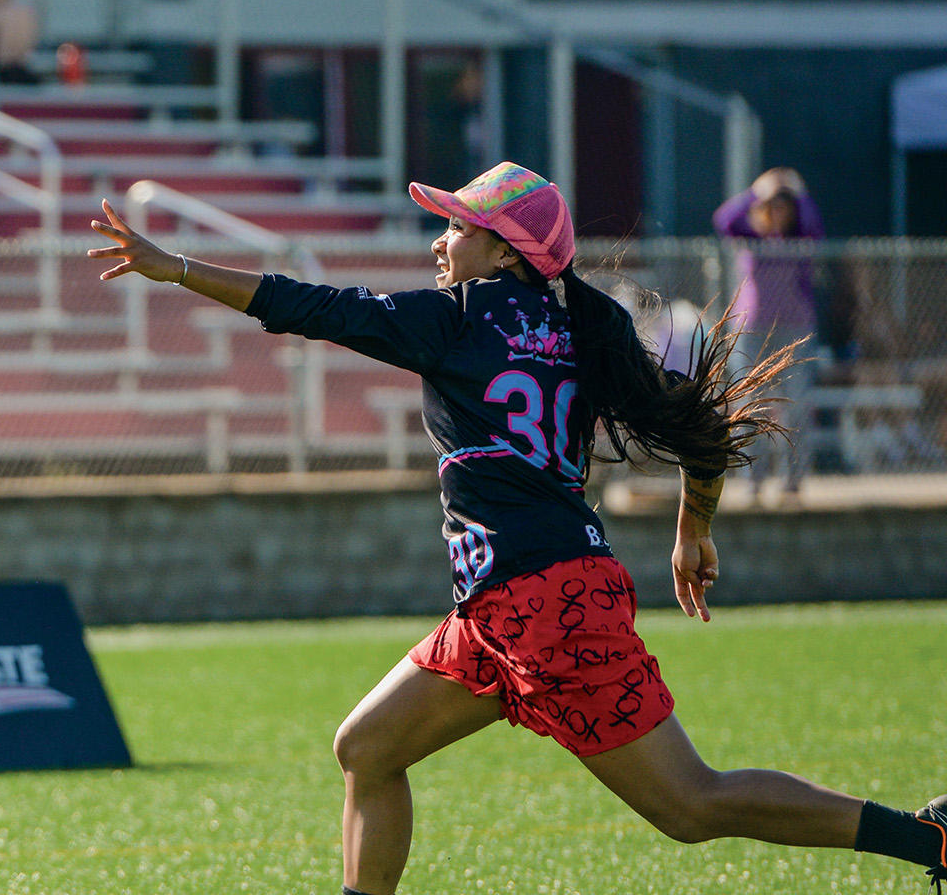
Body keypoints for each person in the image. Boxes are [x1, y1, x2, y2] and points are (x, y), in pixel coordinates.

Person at [87, 161, 947, 895]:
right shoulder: (587, 318)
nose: (440, 241)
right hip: (516, 604)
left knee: (692, 805)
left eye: (456, 227)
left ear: (504, 248)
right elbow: (702, 428)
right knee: (368, 748)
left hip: (541, 606)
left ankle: (929, 840)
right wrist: (695, 531)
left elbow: (311, 306)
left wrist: (178, 268)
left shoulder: (457, 317)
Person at [713, 166, 824, 493]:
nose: (777, 213)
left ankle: (794, 478)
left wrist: (796, 190)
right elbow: (724, 219)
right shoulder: (748, 236)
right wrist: (757, 189)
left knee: (797, 403)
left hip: (794, 331)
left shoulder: (801, 238)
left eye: (784, 207)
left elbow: (814, 223)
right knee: (750, 404)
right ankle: (754, 479)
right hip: (752, 330)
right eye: (770, 206)